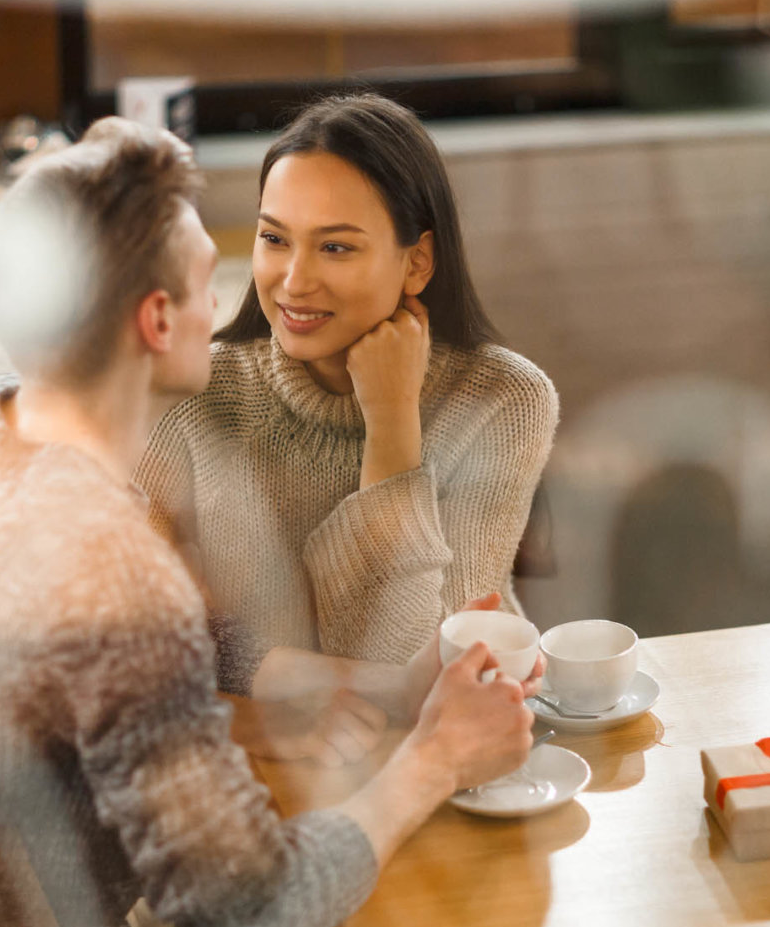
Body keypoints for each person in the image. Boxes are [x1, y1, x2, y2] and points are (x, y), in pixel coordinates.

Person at [0, 119, 539, 927]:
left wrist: (384, 688)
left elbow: (143, 654)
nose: (231, 302)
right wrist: (434, 758)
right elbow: (247, 923)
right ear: (156, 319)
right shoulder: (105, 560)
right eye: (201, 278)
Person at [135, 93, 558, 664]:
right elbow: (134, 629)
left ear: (418, 262)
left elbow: (417, 668)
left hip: (454, 736)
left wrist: (391, 425)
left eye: (335, 247)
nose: (294, 281)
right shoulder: (191, 395)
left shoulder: (502, 400)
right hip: (252, 739)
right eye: (275, 238)